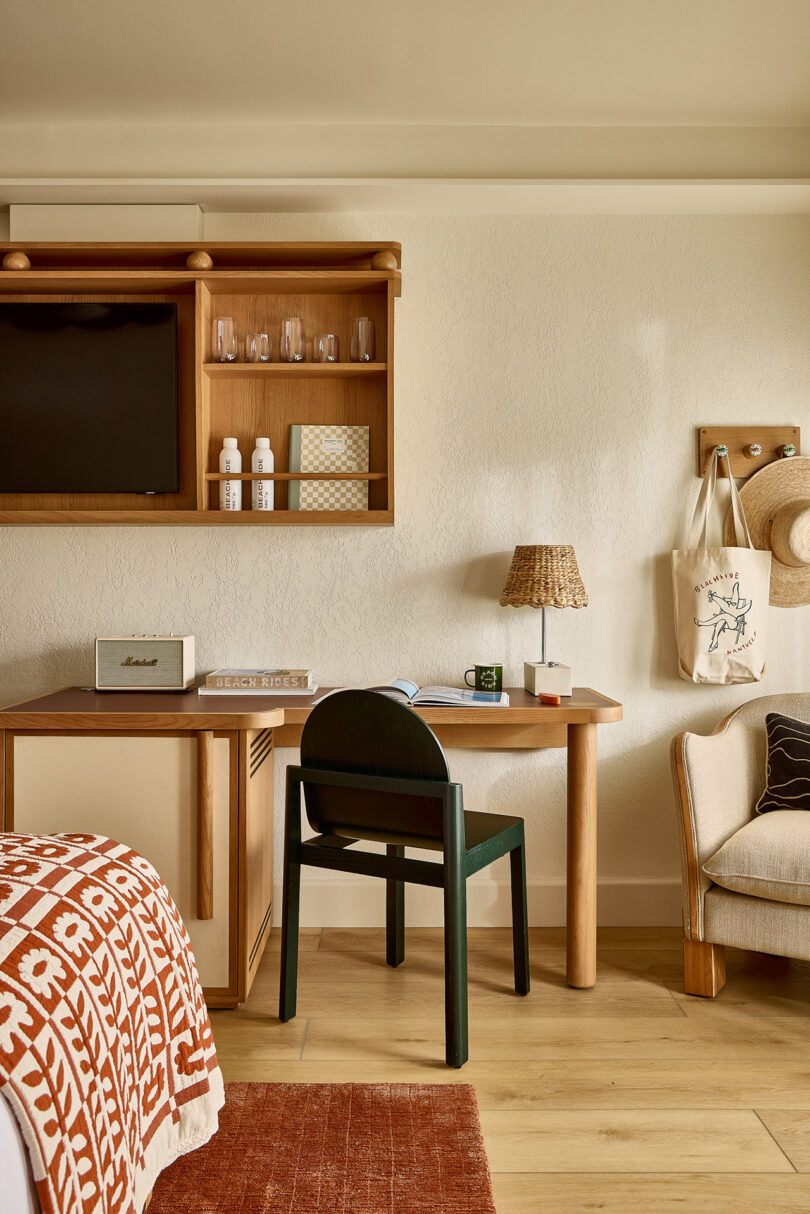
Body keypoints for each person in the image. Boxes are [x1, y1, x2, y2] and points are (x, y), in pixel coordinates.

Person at [694, 581, 752, 652]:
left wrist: (749, 603)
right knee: (721, 620)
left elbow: (746, 607)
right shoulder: (727, 607)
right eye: (732, 602)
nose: (732, 603)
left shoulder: (737, 611)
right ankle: (714, 642)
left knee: (724, 616)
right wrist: (713, 597)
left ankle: (702, 624)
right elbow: (721, 601)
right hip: (725, 620)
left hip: (733, 624)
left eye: (734, 603)